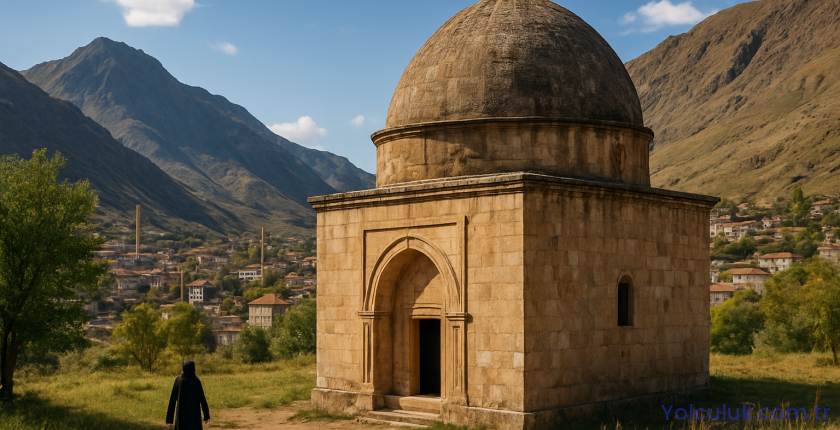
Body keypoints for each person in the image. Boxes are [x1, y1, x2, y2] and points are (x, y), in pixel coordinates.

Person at [166, 360, 210, 430]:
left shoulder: (179, 380)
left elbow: (172, 399)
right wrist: (206, 415)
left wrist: (169, 418)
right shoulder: (196, 381)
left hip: (181, 413)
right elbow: (202, 398)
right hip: (194, 413)